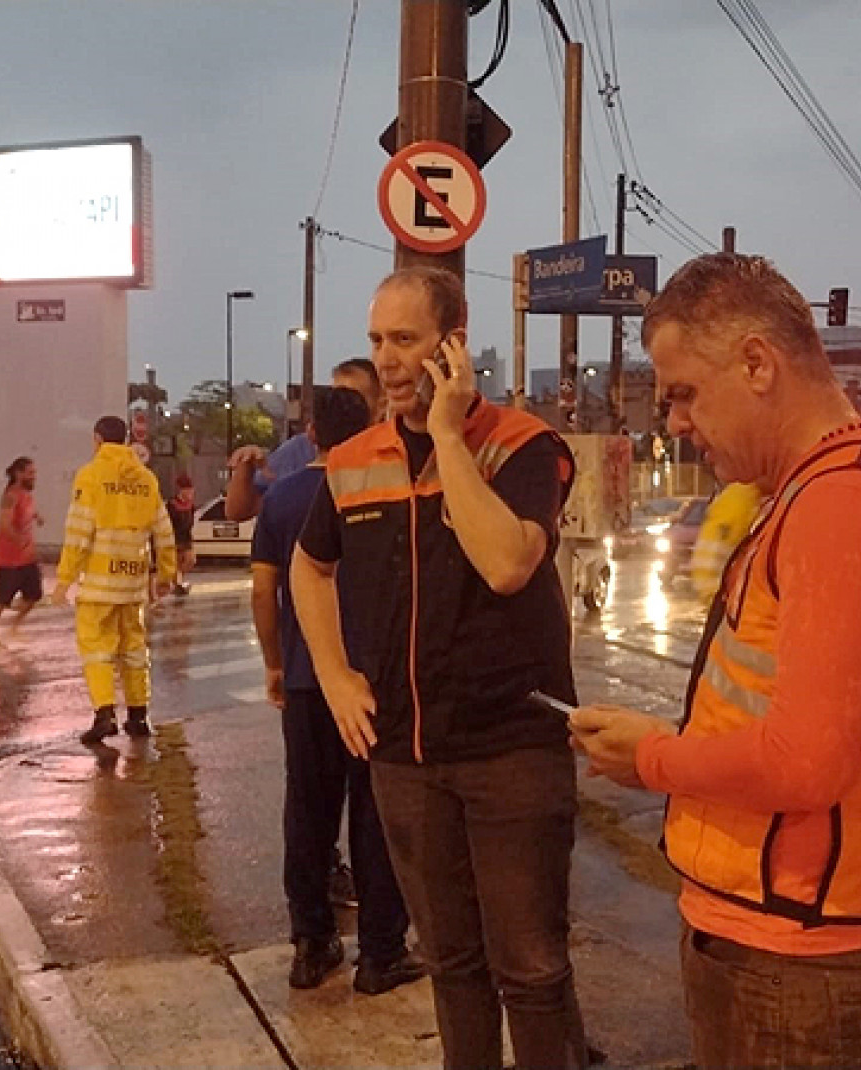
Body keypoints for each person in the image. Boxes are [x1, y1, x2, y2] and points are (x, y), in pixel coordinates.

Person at [569, 253, 861, 1070]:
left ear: (756, 363)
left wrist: (649, 757)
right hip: (780, 927)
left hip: (795, 948)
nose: (672, 421)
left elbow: (807, 764)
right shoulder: (821, 490)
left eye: (681, 391)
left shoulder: (844, 503)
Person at [291, 267, 589, 1070]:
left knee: (528, 967)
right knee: (453, 967)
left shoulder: (522, 445)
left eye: (406, 340)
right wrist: (334, 673)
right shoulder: (355, 462)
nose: (386, 361)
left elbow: (503, 565)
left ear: (451, 342)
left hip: (511, 749)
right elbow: (307, 568)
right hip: (404, 757)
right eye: (377, 341)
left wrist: (450, 437)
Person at [252, 386, 423, 996]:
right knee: (377, 819)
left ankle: (310, 941)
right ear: (369, 428)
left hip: (306, 680)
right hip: (374, 684)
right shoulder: (384, 486)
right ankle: (380, 952)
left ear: (313, 434)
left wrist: (276, 663)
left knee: (307, 814)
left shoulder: (285, 497)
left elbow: (263, 593)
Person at [52, 416, 178, 744]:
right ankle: (138, 715)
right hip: (133, 584)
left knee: (97, 650)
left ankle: (104, 715)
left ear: (97, 439)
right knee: (134, 648)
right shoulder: (146, 478)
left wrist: (64, 580)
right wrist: (166, 574)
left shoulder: (91, 475)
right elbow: (164, 532)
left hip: (98, 585)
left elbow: (79, 530)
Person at [225, 358, 383, 522]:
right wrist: (246, 467)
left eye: (351, 398)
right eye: (334, 395)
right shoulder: (299, 450)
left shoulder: (392, 450)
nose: (340, 404)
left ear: (380, 406)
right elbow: (238, 512)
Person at [0, 456, 43, 647]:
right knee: (2, 598)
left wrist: (37, 517)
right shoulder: (10, 495)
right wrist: (19, 542)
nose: (34, 477)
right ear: (19, 474)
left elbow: (27, 512)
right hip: (9, 558)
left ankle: (13, 627)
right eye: (30, 473)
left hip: (27, 558)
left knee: (34, 595)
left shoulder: (27, 495)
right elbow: (4, 524)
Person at [165, 473, 197, 598]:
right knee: (177, 562)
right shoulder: (172, 505)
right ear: (181, 490)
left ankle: (178, 582)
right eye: (188, 491)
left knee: (190, 561)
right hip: (175, 539)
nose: (190, 493)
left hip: (186, 538)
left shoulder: (191, 506)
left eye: (191, 491)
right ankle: (177, 584)